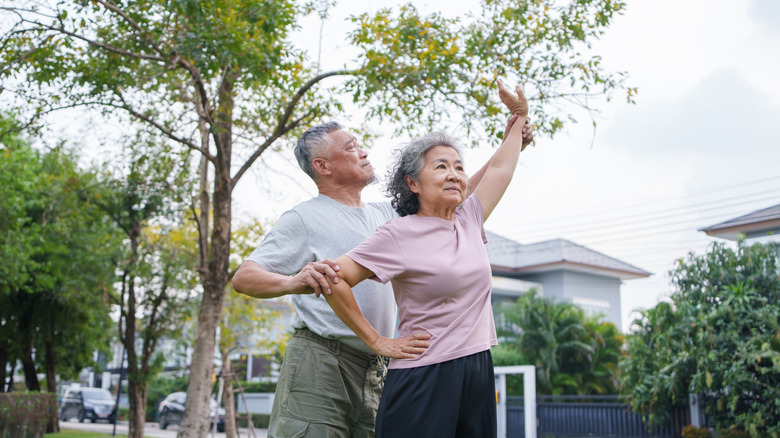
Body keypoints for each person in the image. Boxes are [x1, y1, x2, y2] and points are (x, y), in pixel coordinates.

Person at [232, 91, 532, 437]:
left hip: (380, 362)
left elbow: (460, 193)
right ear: (322, 166)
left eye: (359, 144)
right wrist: (294, 282)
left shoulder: (387, 216)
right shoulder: (303, 218)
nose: (362, 152)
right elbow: (244, 278)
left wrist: (511, 143)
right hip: (323, 357)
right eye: (350, 147)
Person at [320, 80, 530, 437]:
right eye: (441, 166)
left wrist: (518, 117)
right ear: (413, 183)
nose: (454, 174)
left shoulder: (469, 217)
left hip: (477, 366)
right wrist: (377, 341)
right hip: (424, 374)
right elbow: (334, 279)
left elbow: (499, 170)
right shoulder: (398, 234)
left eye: (459, 168)